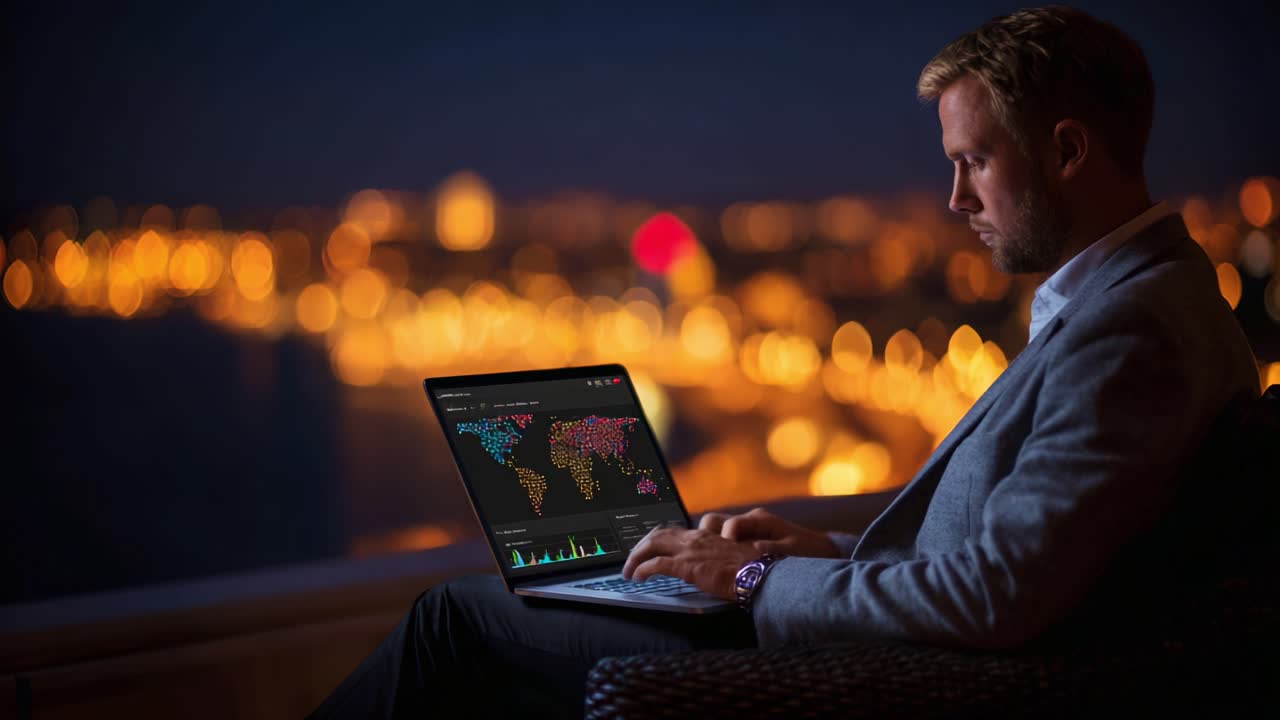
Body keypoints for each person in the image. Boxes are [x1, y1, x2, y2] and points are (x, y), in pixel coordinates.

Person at [309, 6, 1259, 717]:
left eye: (974, 161)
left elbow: (996, 595)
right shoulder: (1144, 302)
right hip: (887, 643)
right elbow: (1020, 560)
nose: (954, 198)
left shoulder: (1132, 332)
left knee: (453, 620)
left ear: (1067, 151)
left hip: (886, 678)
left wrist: (748, 582)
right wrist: (815, 552)